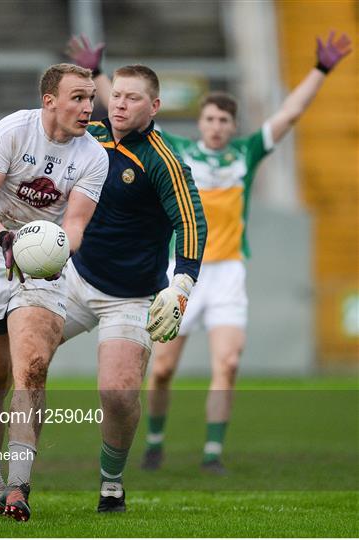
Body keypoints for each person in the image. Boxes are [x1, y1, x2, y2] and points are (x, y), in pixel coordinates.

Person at [0, 64, 207, 514]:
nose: (116, 105)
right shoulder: (93, 133)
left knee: (116, 392)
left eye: (132, 98)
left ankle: (108, 483)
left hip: (124, 291)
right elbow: (38, 144)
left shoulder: (160, 161)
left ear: (155, 107)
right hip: (74, 274)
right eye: (115, 95)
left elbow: (191, 221)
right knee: (4, 368)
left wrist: (181, 282)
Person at [66, 32, 352, 473]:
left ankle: (212, 454)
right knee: (161, 370)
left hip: (228, 273)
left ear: (233, 127)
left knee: (229, 361)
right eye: (210, 119)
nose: (216, 127)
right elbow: (126, 107)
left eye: (224, 120)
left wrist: (321, 70)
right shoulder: (176, 152)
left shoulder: (246, 153)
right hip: (178, 269)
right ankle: (156, 444)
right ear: (200, 124)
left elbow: (290, 114)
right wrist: (99, 73)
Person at [0, 62, 110, 522]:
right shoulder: (12, 131)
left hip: (43, 266)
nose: (87, 106)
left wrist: (52, 251)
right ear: (49, 100)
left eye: (90, 97)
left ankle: (19, 486)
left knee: (33, 367)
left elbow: (75, 224)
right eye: (77, 97)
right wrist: (6, 240)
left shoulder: (94, 157)